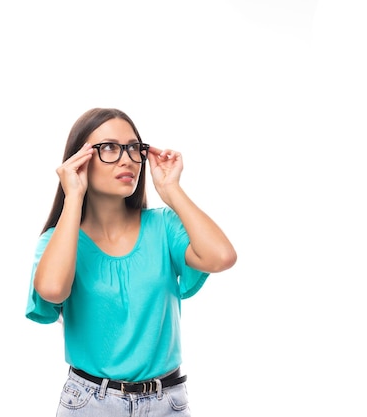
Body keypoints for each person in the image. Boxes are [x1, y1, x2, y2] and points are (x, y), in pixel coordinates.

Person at [25, 107, 237, 416]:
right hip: (90, 403)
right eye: (109, 147)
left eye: (134, 148)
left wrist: (171, 189)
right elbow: (53, 290)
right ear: (79, 159)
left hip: (168, 402)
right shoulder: (58, 242)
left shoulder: (163, 227)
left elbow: (221, 257)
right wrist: (73, 197)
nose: (127, 159)